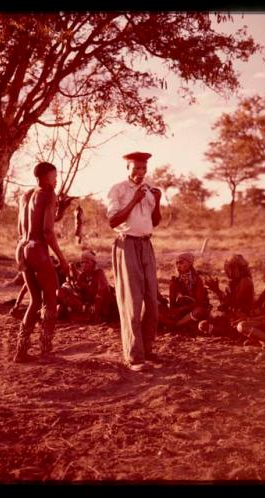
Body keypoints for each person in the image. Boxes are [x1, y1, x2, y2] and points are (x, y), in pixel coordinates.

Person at [107, 151, 162, 372]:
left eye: (144, 168)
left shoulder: (149, 190)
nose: (141, 172)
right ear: (128, 168)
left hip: (146, 245)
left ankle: (147, 350)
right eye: (136, 168)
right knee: (131, 302)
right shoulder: (118, 189)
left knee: (152, 301)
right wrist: (133, 200)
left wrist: (157, 201)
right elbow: (113, 221)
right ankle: (134, 357)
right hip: (126, 244)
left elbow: (154, 221)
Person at [13, 162, 69, 362]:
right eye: (54, 176)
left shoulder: (25, 196)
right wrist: (62, 258)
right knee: (50, 301)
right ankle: (45, 352)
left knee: (35, 300)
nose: (56, 180)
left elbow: (21, 229)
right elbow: (47, 231)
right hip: (38, 249)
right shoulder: (48, 194)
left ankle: (21, 351)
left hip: (22, 248)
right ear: (45, 177)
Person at [198, 254, 254, 339]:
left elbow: (235, 303)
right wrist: (217, 291)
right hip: (230, 315)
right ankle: (226, 331)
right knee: (202, 325)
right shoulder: (233, 281)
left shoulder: (245, 281)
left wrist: (217, 291)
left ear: (235, 268)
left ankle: (230, 332)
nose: (227, 271)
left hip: (241, 315)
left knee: (208, 325)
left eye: (228, 268)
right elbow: (225, 303)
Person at [57, 250, 116, 323]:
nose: (84, 264)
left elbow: (102, 293)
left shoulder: (99, 274)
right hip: (87, 306)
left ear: (93, 264)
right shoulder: (82, 276)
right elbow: (79, 292)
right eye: (82, 262)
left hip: (100, 307)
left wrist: (95, 310)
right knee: (60, 292)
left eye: (87, 262)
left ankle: (89, 316)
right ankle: (84, 313)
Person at [165, 252, 210, 332]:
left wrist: (182, 309)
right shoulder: (174, 280)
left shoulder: (197, 280)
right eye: (177, 263)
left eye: (181, 262)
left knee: (200, 311)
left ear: (189, 264)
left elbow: (199, 302)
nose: (178, 265)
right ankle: (182, 324)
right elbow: (172, 303)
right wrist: (173, 312)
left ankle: (176, 325)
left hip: (193, 310)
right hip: (181, 312)